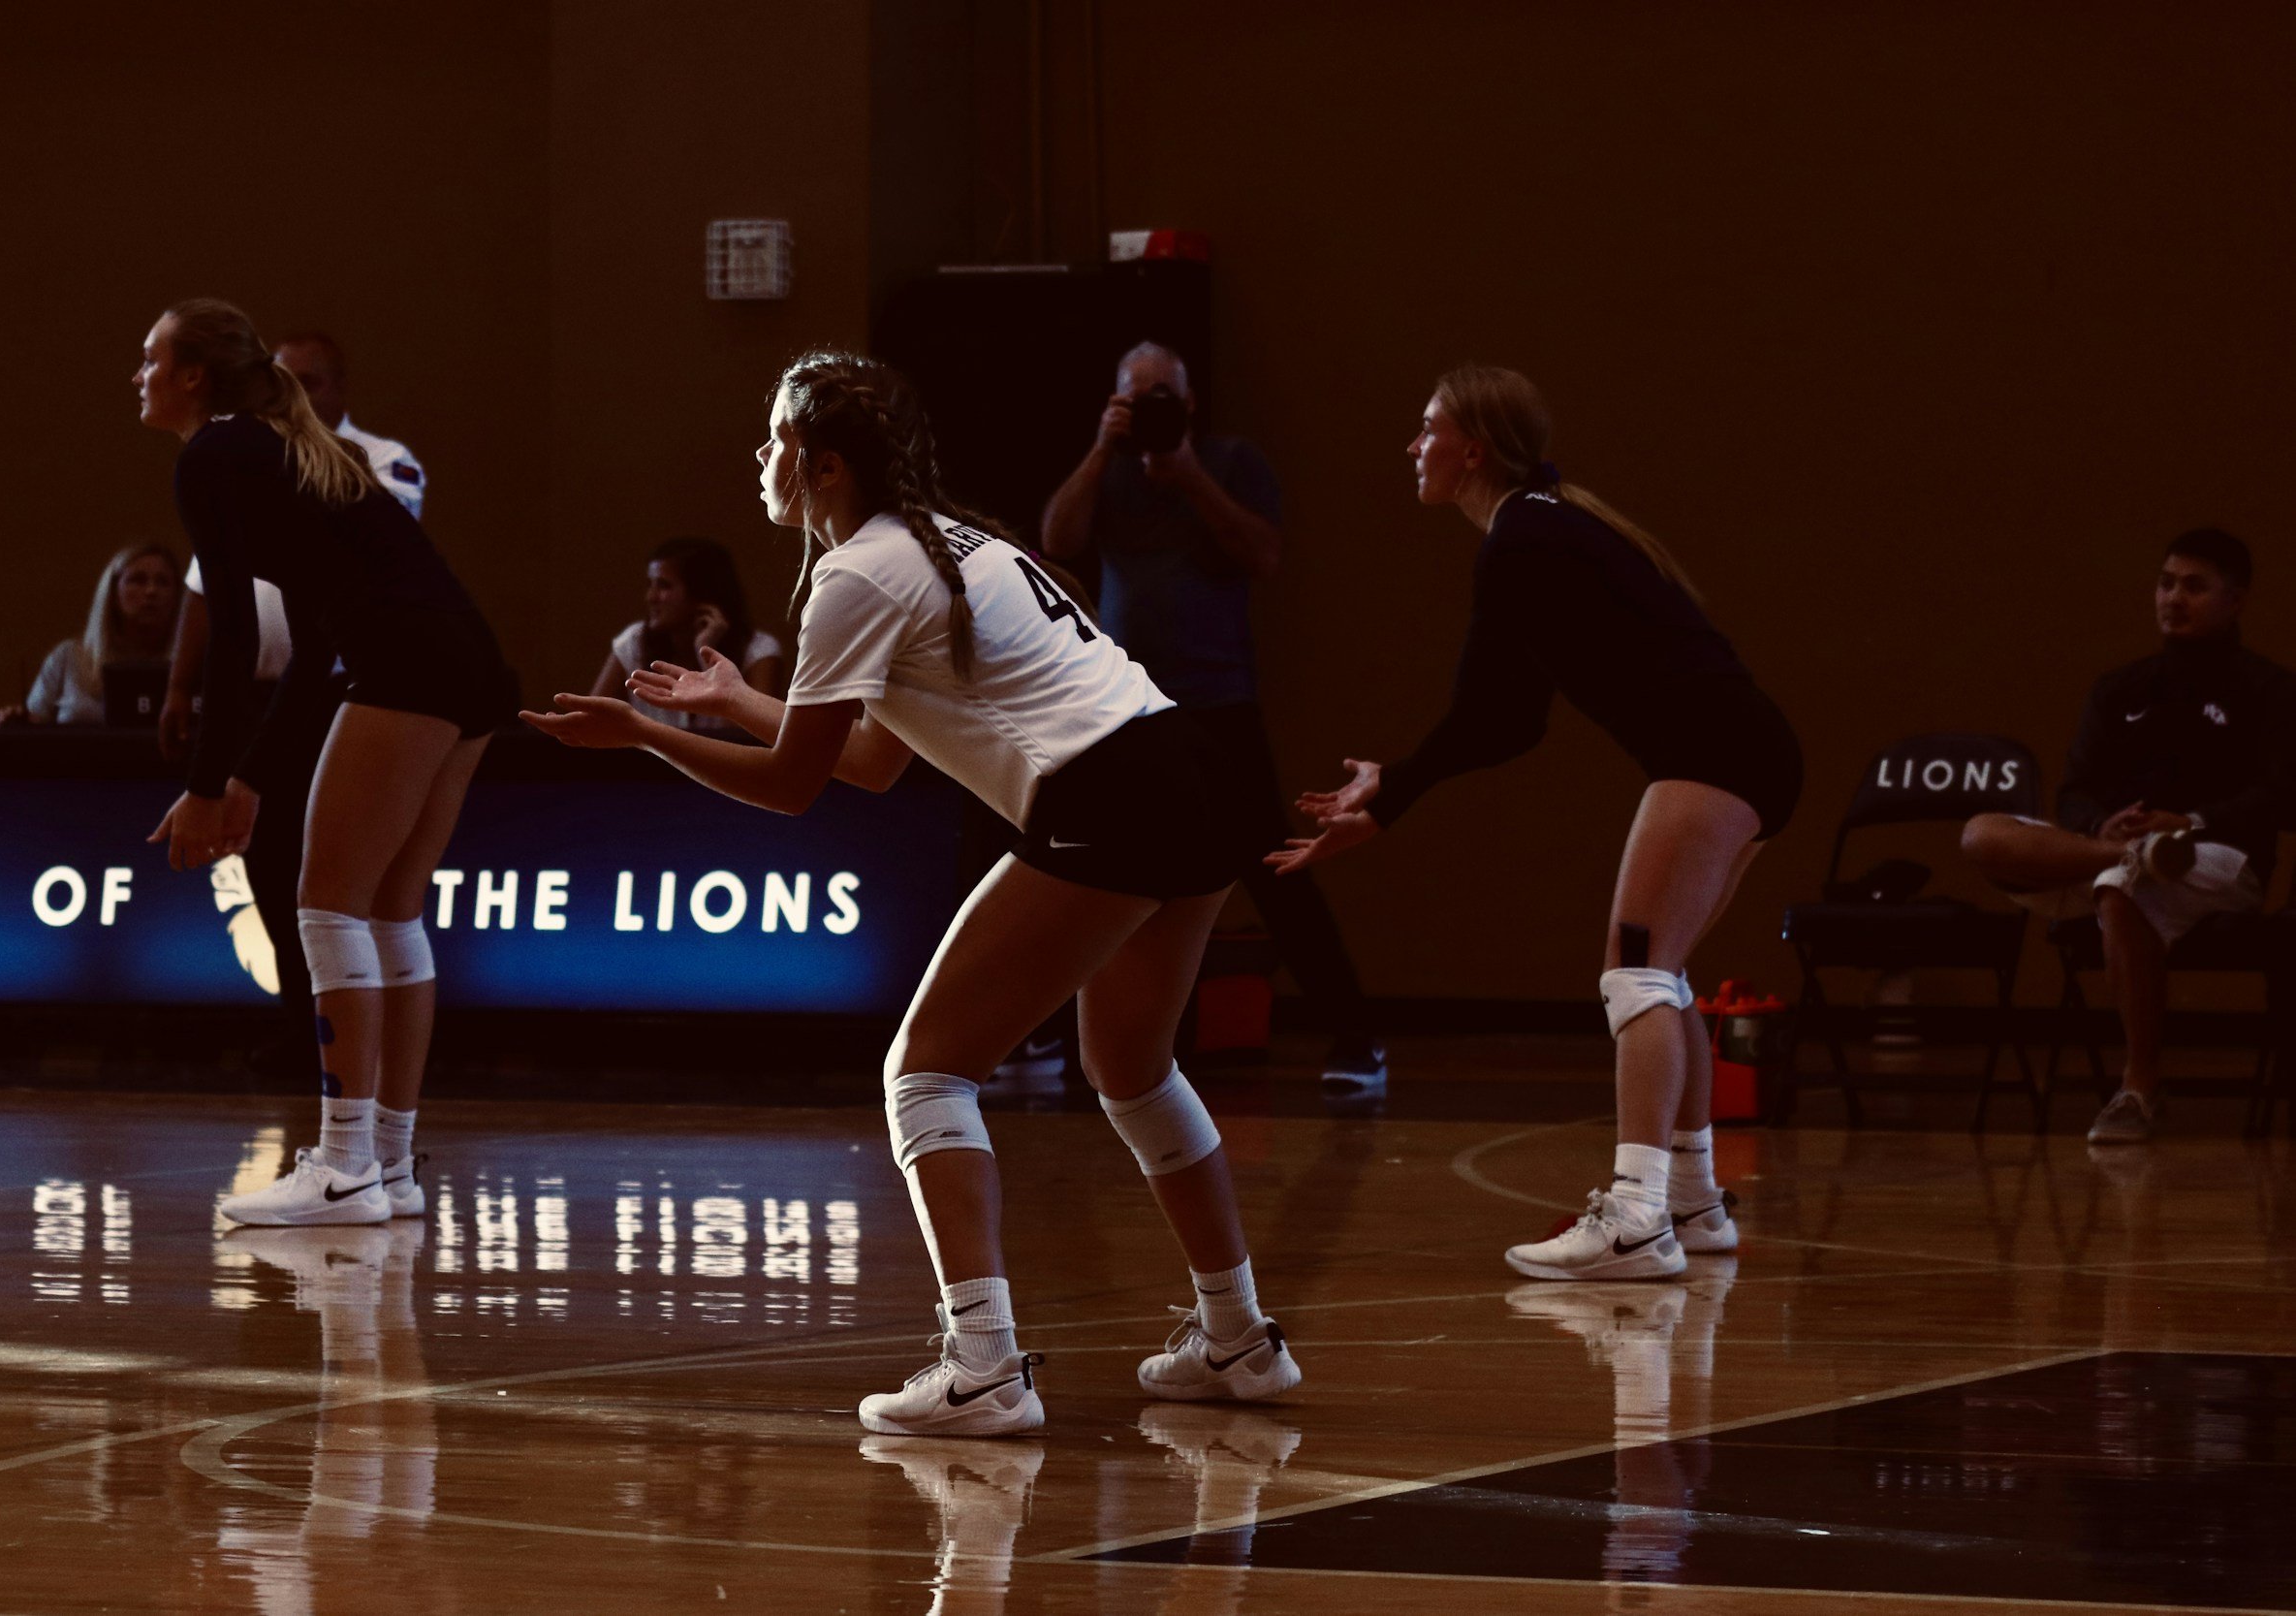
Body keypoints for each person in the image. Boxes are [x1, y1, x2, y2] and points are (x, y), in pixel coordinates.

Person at [525, 350, 1302, 1435]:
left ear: (825, 465)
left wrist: (644, 733)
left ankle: (983, 1366)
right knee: (1130, 1063)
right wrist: (739, 699)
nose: (761, 457)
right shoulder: (944, 543)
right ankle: (1238, 1340)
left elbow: (796, 787)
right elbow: (873, 761)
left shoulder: (856, 574)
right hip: (1191, 774)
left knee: (923, 1072)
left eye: (776, 441)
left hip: (1112, 795)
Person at [1270, 364, 1802, 1282]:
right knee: (1660, 973)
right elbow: (1510, 723)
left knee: (1635, 973)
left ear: (1472, 448)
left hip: (1716, 754)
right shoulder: (1545, 530)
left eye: (1427, 427)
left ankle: (1637, 1218)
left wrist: (1388, 800)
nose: (1413, 445)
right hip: (1750, 752)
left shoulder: (1523, 538)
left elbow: (1485, 719)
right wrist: (1393, 787)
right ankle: (1693, 1201)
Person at [134, 297, 516, 1227]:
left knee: (327, 904)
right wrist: (249, 781)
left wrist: (201, 786)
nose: (137, 377)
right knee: (389, 907)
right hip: (471, 664)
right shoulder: (281, 452)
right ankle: (387, 1163)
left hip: (408, 665)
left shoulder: (215, 454)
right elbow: (306, 655)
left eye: (150, 359)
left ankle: (345, 1164)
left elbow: (232, 638)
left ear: (193, 376)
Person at [1042, 341, 1387, 1090]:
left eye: (1164, 395)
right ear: (1115, 403)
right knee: (1115, 869)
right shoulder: (1108, 470)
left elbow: (1263, 556)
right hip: (1128, 704)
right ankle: (1106, 1046)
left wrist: (1190, 478)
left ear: (1190, 403)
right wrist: (1104, 450)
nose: (1152, 408)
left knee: (1273, 865)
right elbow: (1057, 540)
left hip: (1219, 697)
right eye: (1136, 397)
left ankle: (1358, 1038)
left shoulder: (1231, 462)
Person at [1960, 528, 2294, 1145]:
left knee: (2119, 885)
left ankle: (2139, 1089)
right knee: (1982, 834)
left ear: (2236, 599)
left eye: (2195, 587)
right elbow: (2075, 790)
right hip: (2109, 854)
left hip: (2219, 859)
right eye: (2166, 583)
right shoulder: (2120, 688)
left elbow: (2281, 797)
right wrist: (2099, 825)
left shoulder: (2270, 691)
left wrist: (2191, 823)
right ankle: (2128, 853)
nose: (2174, 598)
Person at [160, 332, 425, 1086]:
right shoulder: (245, 463)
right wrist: (181, 686)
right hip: (261, 696)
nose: (294, 394)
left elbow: (366, 543)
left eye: (309, 380)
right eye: (281, 380)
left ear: (339, 388)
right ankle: (300, 1028)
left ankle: (363, 1043)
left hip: (347, 690)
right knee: (271, 871)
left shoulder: (380, 458)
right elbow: (206, 589)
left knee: (342, 877)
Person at [588, 536, 786, 730]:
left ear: (701, 592)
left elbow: (755, 739)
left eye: (664, 585)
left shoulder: (759, 651)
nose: (651, 597)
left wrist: (708, 656)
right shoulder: (634, 642)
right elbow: (590, 722)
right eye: (650, 584)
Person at [0, 543, 181, 725]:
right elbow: (34, 722)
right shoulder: (68, 658)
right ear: (113, 593)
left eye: (163, 582)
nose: (151, 591)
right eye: (138, 580)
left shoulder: (193, 664)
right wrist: (17, 720)